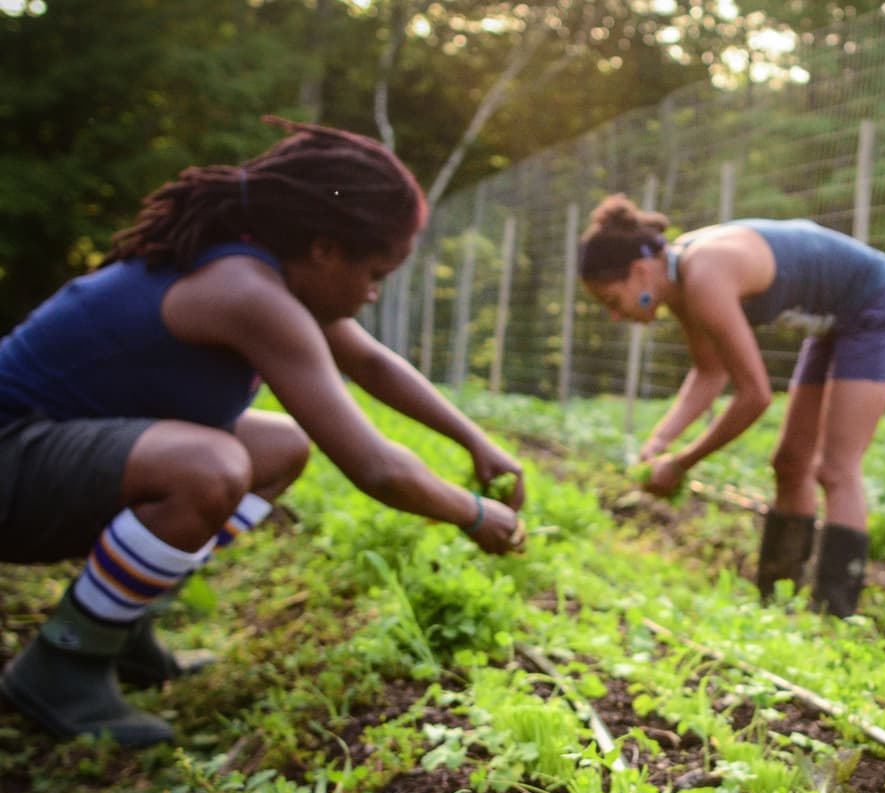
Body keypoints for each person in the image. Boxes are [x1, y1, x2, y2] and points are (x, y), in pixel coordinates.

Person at [0, 117, 529, 748]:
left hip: (42, 456)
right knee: (209, 466)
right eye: (375, 271)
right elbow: (375, 467)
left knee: (276, 448)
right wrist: (473, 514)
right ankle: (63, 665)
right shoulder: (243, 291)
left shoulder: (268, 272)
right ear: (325, 249)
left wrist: (477, 441)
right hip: (12, 457)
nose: (371, 293)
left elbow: (372, 364)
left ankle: (119, 623)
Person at [578, 195, 885, 617]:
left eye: (614, 302)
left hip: (877, 301)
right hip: (833, 319)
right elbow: (709, 372)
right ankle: (776, 605)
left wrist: (681, 463)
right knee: (791, 463)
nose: (617, 316)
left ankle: (835, 617)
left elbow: (754, 396)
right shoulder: (678, 280)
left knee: (836, 469)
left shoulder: (703, 276)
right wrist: (660, 442)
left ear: (640, 270)